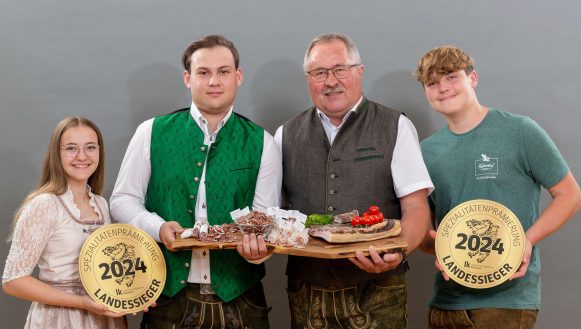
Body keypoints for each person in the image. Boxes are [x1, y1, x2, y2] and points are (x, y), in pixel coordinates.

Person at [110, 35, 282, 329]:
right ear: (188, 78)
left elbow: (265, 219)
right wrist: (158, 227)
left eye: (223, 71)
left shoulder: (262, 142)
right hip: (168, 299)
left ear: (238, 77)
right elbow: (122, 200)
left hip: (241, 301)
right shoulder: (151, 132)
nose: (214, 81)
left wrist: (258, 252)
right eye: (203, 72)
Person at [415, 45, 581, 329]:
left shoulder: (520, 131)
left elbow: (570, 195)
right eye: (432, 83)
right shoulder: (425, 152)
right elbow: (425, 233)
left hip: (506, 303)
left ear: (473, 78)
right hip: (446, 304)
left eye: (451, 77)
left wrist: (527, 240)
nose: (443, 88)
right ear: (426, 92)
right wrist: (437, 246)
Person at [274, 33, 434, 328]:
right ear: (308, 78)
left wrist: (398, 253)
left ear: (359, 71)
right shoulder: (285, 134)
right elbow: (276, 212)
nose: (330, 81)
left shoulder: (395, 125)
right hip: (308, 291)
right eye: (319, 73)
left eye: (340, 69)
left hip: (379, 290)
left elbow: (416, 206)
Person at [2, 116, 127, 328]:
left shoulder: (101, 204)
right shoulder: (44, 204)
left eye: (90, 147)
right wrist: (82, 302)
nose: (82, 156)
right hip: (60, 318)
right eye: (71, 148)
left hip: (103, 317)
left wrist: (134, 295)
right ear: (56, 154)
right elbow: (13, 281)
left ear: (99, 151)